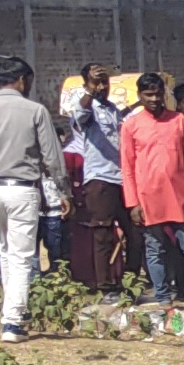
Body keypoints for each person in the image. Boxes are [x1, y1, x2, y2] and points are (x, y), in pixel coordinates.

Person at [0, 57, 69, 342]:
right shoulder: (35, 110)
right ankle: (12, 321)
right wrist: (62, 190)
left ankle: (12, 309)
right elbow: (52, 157)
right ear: (22, 80)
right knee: (21, 255)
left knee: (6, 251)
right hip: (22, 188)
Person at [121, 69, 184, 306]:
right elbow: (127, 167)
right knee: (155, 250)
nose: (154, 99)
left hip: (182, 197)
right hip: (149, 199)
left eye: (157, 94)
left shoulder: (178, 120)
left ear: (164, 94)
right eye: (148, 95)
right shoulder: (131, 125)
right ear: (140, 95)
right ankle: (162, 299)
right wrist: (133, 203)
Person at [63, 66, 129, 290]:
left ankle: (129, 281)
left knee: (134, 233)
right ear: (87, 85)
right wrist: (90, 92)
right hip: (100, 178)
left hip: (122, 178)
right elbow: (80, 115)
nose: (101, 87)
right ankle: (105, 285)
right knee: (103, 234)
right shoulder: (86, 106)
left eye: (104, 82)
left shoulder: (113, 109)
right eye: (96, 83)